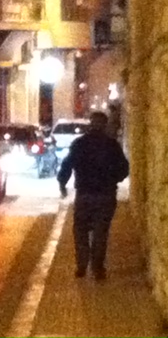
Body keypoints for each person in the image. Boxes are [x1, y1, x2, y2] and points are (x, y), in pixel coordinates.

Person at [57, 111, 129, 280]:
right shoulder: (112, 145)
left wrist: (62, 184)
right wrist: (113, 180)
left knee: (81, 229)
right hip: (106, 195)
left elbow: (67, 165)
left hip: (84, 194)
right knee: (100, 232)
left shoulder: (79, 144)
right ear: (105, 125)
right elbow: (124, 168)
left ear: (90, 124)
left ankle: (82, 265)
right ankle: (97, 268)